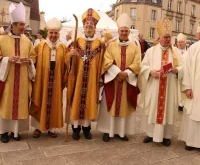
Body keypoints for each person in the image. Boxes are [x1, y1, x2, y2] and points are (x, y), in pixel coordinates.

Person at [96, 13, 141, 142]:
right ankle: (107, 131)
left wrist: (126, 73)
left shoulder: (134, 46)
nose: (124, 33)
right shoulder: (111, 45)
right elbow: (107, 60)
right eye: (122, 31)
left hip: (126, 81)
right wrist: (117, 73)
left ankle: (122, 132)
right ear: (119, 31)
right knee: (109, 104)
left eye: (126, 31)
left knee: (124, 106)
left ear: (129, 31)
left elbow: (138, 63)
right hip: (113, 81)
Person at [139, 17, 182, 146]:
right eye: (165, 37)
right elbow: (143, 66)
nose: (168, 39)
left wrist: (176, 70)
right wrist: (150, 71)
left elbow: (184, 67)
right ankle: (150, 134)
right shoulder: (151, 51)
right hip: (154, 86)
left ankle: (166, 136)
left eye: (169, 37)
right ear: (160, 37)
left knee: (168, 110)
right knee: (152, 109)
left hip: (170, 87)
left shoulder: (177, 53)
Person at [66, 8, 104, 140]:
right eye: (87, 24)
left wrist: (100, 77)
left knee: (89, 102)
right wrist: (71, 56)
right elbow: (67, 59)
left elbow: (104, 60)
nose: (89, 26)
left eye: (91, 25)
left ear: (95, 27)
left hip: (92, 80)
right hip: (78, 78)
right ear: (83, 26)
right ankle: (75, 129)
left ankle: (87, 129)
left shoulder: (100, 44)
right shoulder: (77, 42)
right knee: (77, 101)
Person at [0, 2, 36, 143]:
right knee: (6, 105)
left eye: (23, 24)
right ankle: (3, 132)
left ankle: (16, 132)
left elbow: (33, 57)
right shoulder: (1, 39)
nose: (23, 27)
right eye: (20, 24)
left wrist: (29, 61)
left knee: (20, 105)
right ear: (13, 25)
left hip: (22, 80)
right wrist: (7, 60)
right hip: (7, 79)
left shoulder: (27, 41)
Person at [29, 17, 67, 138]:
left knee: (54, 103)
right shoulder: (40, 46)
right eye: (51, 32)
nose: (53, 35)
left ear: (59, 34)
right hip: (42, 80)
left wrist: (71, 58)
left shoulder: (63, 47)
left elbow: (67, 65)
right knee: (40, 100)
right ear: (48, 33)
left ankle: (51, 128)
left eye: (56, 33)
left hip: (56, 81)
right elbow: (32, 60)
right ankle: (37, 128)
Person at [178, 26, 200, 150]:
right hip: (194, 89)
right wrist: (187, 87)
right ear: (197, 35)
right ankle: (191, 142)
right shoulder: (193, 48)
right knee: (192, 114)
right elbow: (186, 69)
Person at [176, 33, 188, 111]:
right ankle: (177, 103)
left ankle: (182, 104)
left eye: (181, 42)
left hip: (185, 75)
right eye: (178, 42)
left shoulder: (188, 52)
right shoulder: (174, 52)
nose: (180, 44)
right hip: (176, 74)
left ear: (185, 43)